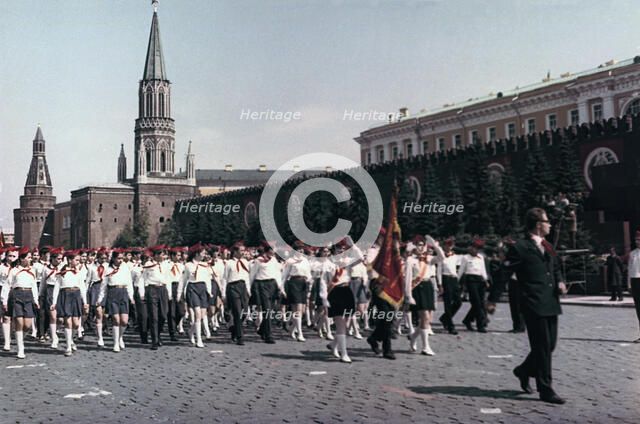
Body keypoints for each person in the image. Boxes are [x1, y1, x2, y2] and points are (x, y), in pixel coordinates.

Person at [506, 207, 567, 404]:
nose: (550, 225)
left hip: (550, 301)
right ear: (539, 225)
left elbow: (555, 267)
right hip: (533, 303)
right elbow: (503, 272)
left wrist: (560, 281)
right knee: (541, 347)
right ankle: (546, 389)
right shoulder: (520, 247)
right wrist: (491, 299)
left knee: (549, 346)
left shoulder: (547, 245)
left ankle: (523, 370)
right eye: (547, 221)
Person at [406, 235, 444, 356]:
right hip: (417, 288)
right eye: (418, 244)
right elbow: (408, 280)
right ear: (414, 246)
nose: (421, 247)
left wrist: (436, 246)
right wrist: (408, 295)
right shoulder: (410, 260)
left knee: (425, 319)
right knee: (425, 317)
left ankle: (413, 337)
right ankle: (425, 347)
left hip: (428, 287)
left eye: (423, 244)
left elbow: (441, 257)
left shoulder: (428, 258)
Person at [2, 247, 39, 359]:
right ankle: (20, 348)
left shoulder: (32, 271)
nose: (30, 259)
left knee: (27, 325)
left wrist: (36, 300)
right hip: (17, 295)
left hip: (28, 296)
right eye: (28, 257)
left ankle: (20, 338)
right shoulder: (14, 271)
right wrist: (4, 300)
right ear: (22, 259)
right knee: (19, 322)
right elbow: (7, 285)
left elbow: (34, 286)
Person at [51, 250, 89, 357]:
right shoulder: (61, 272)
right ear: (69, 260)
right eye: (76, 260)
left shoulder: (79, 272)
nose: (78, 262)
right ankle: (68, 347)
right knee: (68, 321)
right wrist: (54, 302)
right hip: (65, 295)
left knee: (76, 324)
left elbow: (82, 287)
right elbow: (57, 287)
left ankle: (71, 339)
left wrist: (85, 302)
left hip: (76, 295)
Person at [98, 250, 135, 352]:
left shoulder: (125, 268)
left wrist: (131, 297)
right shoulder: (108, 269)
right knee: (116, 320)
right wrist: (100, 299)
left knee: (124, 321)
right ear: (113, 258)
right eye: (118, 258)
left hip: (123, 293)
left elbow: (129, 283)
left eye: (122, 258)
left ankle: (120, 337)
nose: (120, 260)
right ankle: (115, 344)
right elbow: (103, 286)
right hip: (113, 294)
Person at [179, 244, 213, 348]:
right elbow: (183, 280)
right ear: (197, 253)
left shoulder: (205, 265)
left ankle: (190, 332)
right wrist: (179, 293)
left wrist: (209, 291)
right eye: (203, 253)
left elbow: (207, 279)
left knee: (202, 316)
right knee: (197, 314)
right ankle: (199, 339)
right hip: (192, 288)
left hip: (202, 288)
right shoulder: (188, 265)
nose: (204, 255)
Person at [250, 243, 283, 344]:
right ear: (267, 250)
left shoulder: (273, 260)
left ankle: (262, 329)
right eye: (272, 250)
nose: (273, 252)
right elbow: (252, 275)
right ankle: (269, 335)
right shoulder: (258, 260)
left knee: (271, 310)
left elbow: (277, 273)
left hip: (272, 284)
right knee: (267, 310)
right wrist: (250, 288)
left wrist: (280, 287)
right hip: (262, 284)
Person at [141, 246, 171, 350]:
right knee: (154, 316)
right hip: (152, 289)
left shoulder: (166, 265)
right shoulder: (148, 265)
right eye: (162, 254)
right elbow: (143, 279)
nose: (164, 256)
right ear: (156, 255)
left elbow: (168, 278)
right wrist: (142, 292)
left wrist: (169, 293)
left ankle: (157, 334)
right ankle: (154, 341)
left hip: (163, 289)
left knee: (163, 315)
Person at [281, 241, 311, 342]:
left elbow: (309, 273)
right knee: (297, 309)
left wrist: (309, 283)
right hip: (294, 283)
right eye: (298, 249)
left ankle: (291, 329)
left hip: (303, 284)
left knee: (301, 311)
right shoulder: (290, 261)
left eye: (302, 249)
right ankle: (300, 334)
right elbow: (284, 276)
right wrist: (282, 289)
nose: (300, 251)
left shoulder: (305, 260)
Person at [222, 243, 251, 345]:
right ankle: (240, 337)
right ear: (235, 251)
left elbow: (247, 276)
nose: (243, 252)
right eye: (241, 250)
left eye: (244, 250)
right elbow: (225, 278)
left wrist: (248, 289)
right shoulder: (229, 263)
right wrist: (223, 294)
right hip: (233, 287)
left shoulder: (245, 262)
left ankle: (234, 329)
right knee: (237, 312)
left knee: (245, 312)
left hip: (243, 286)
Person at [458, 239, 489, 333]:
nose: (476, 250)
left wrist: (486, 280)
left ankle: (467, 320)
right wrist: (457, 281)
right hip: (471, 280)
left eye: (478, 249)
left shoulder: (481, 257)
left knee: (480, 303)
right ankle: (480, 325)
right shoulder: (465, 257)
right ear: (471, 248)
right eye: (474, 248)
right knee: (476, 302)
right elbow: (461, 270)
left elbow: (482, 269)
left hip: (480, 280)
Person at [39, 248, 63, 348]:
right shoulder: (46, 269)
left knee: (61, 319)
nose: (60, 261)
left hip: (61, 292)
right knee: (52, 315)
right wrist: (40, 295)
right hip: (50, 291)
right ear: (52, 258)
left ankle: (54, 330)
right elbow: (43, 283)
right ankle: (54, 338)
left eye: (61, 259)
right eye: (58, 258)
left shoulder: (63, 268)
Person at [438, 238, 461, 334]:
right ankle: (450, 326)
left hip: (454, 279)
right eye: (447, 245)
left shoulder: (455, 256)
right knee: (447, 303)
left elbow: (459, 269)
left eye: (450, 245)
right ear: (444, 246)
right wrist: (440, 284)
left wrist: (458, 281)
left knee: (458, 302)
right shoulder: (441, 256)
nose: (449, 246)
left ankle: (445, 318)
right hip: (445, 279)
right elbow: (438, 271)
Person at [627, 231, 640, 342]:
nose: (637, 242)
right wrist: (629, 284)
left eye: (639, 240)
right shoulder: (632, 253)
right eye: (636, 240)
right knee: (639, 310)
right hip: (635, 281)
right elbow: (630, 270)